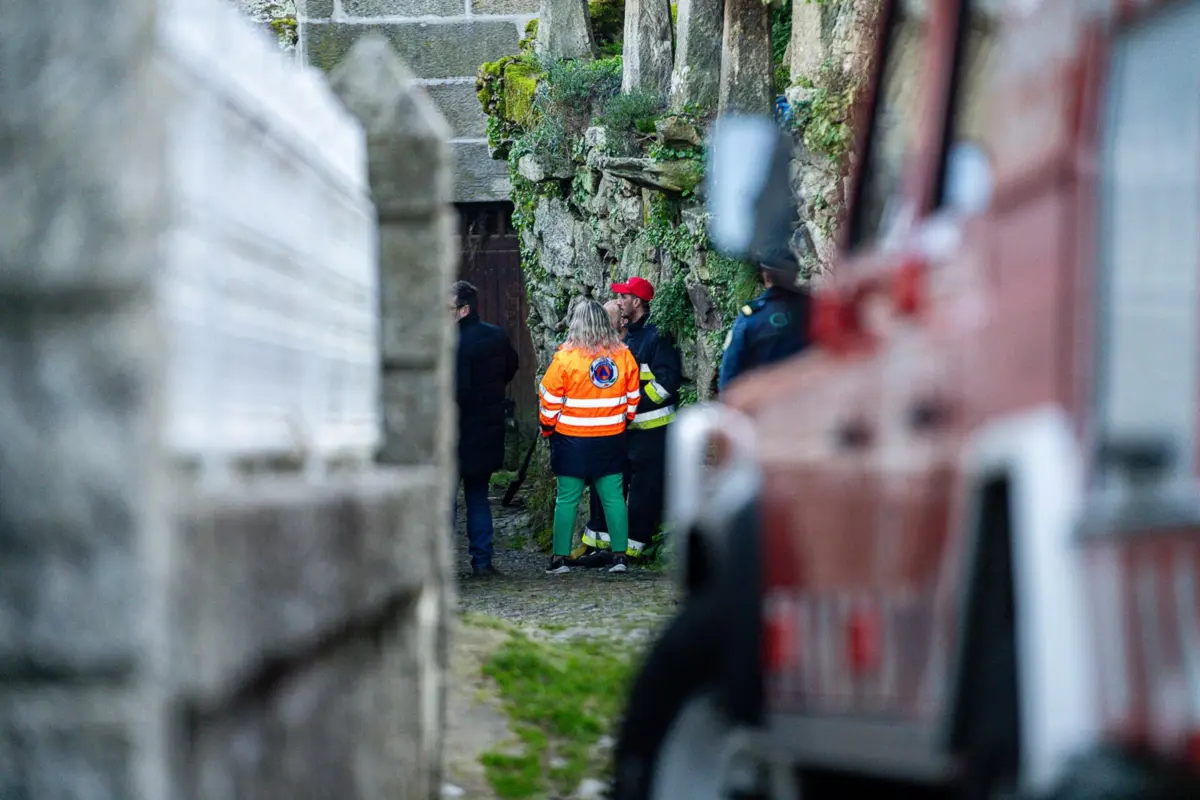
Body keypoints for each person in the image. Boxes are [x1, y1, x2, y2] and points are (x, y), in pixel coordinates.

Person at [581, 276, 681, 563]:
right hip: (625, 429)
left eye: (623, 297)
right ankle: (604, 548)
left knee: (642, 493)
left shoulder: (655, 336)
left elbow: (666, 383)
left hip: (652, 431)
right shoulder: (627, 337)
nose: (619, 301)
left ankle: (631, 551)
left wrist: (631, 404)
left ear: (636, 302)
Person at [538, 298, 640, 575]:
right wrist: (621, 422)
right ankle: (619, 556)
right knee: (614, 498)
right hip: (610, 438)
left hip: (571, 439)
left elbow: (548, 401)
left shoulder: (565, 359)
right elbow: (633, 400)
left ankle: (559, 559)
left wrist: (549, 428)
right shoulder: (623, 356)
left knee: (567, 499)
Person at [452, 280, 519, 579]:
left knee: (446, 501)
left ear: (464, 310)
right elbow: (512, 366)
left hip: (455, 430)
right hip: (486, 428)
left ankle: (441, 565)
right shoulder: (496, 336)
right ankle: (482, 562)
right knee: (478, 496)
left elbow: (457, 390)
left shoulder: (451, 343)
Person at [717, 256, 813, 393]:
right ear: (795, 274)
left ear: (766, 276)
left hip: (767, 407)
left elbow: (728, 379)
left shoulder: (751, 318)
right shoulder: (815, 309)